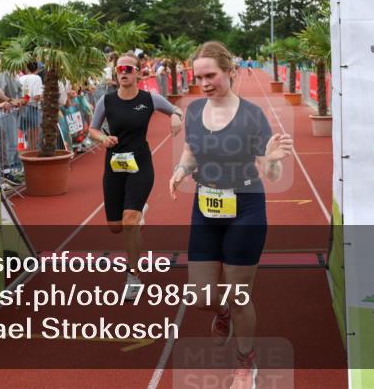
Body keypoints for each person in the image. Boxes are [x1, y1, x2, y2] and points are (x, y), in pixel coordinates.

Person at [169, 41, 292, 389]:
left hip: (245, 209)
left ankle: (245, 363)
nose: (205, 82)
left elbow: (274, 176)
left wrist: (271, 159)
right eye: (200, 77)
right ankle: (221, 313)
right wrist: (180, 170)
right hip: (205, 208)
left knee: (239, 295)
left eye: (212, 75)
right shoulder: (193, 111)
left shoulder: (252, 115)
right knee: (202, 298)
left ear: (230, 73)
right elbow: (191, 150)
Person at [88, 52, 183, 300]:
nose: (124, 73)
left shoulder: (150, 98)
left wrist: (175, 116)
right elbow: (92, 129)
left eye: (129, 69)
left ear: (138, 73)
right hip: (114, 166)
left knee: (129, 221)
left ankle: (133, 276)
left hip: (140, 164)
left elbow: (177, 110)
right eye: (120, 69)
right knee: (115, 228)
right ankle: (138, 214)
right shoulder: (106, 101)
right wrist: (103, 138)